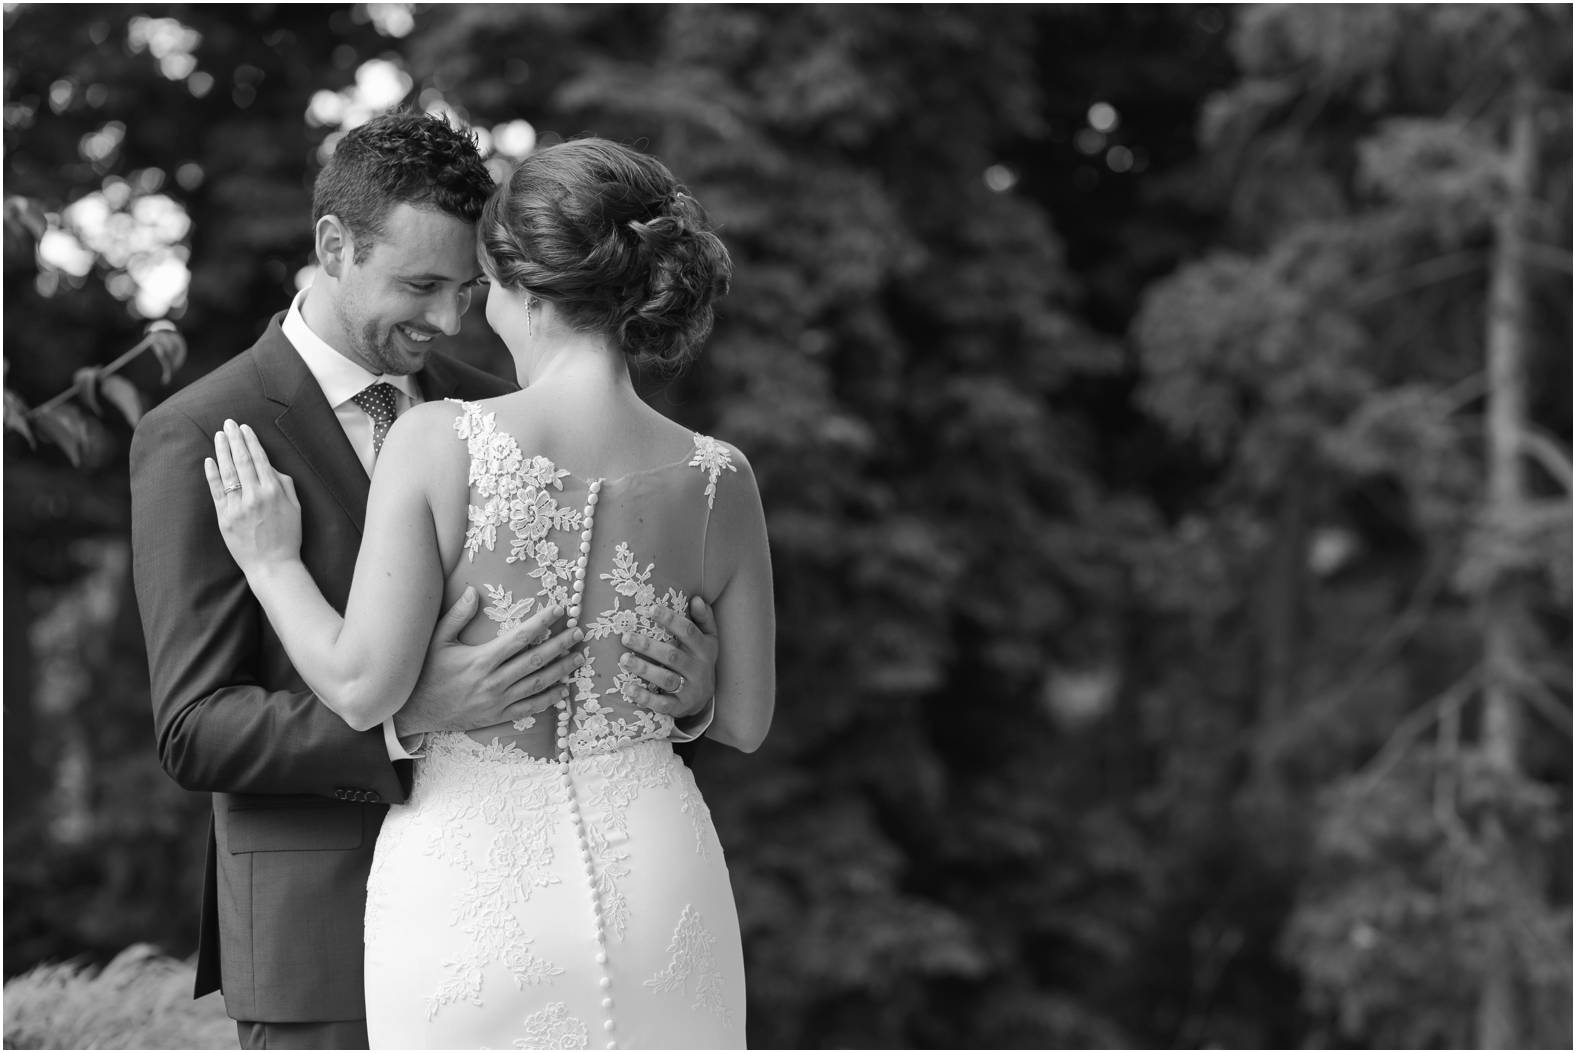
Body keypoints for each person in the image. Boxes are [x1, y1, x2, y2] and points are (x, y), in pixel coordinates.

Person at [130, 113, 724, 1051]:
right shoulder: (199, 432)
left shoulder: (494, 408)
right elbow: (193, 728)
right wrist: (413, 714)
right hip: (314, 939)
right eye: (419, 285)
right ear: (335, 246)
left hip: (522, 916)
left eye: (465, 288)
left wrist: (685, 697)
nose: (446, 320)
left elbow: (576, 655)